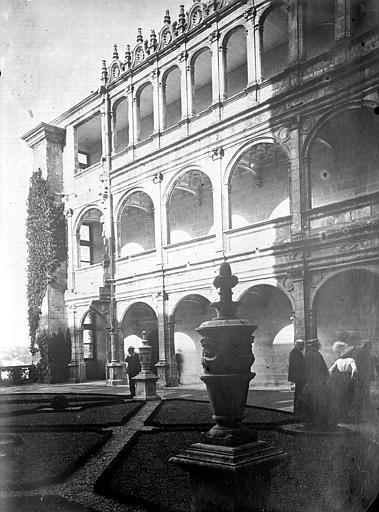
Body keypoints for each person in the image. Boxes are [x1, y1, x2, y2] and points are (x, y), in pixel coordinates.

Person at [303, 338, 332, 429]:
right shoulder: (315, 354)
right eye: (318, 344)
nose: (319, 345)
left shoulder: (309, 354)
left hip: (313, 381)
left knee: (313, 402)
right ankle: (317, 422)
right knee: (317, 402)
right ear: (315, 345)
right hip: (317, 382)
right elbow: (318, 369)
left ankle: (312, 421)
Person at [329, 341, 357, 423]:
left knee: (340, 398)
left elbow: (330, 370)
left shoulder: (338, 361)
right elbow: (354, 370)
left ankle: (340, 417)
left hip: (339, 382)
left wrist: (335, 378)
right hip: (347, 380)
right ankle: (345, 417)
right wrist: (352, 378)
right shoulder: (351, 360)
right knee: (348, 398)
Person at [354, 341, 378, 421]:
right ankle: (363, 411)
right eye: (369, 347)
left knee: (363, 392)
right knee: (363, 393)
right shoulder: (364, 354)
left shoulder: (365, 354)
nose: (370, 348)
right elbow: (363, 366)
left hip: (364, 376)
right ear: (367, 346)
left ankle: (364, 409)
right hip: (363, 376)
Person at [288, 339, 306, 417]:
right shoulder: (295, 352)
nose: (303, 347)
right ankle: (298, 410)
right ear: (299, 345)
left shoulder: (295, 352)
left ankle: (298, 410)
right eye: (302, 346)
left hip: (298, 376)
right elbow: (297, 365)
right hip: (299, 377)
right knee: (299, 393)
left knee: (298, 392)